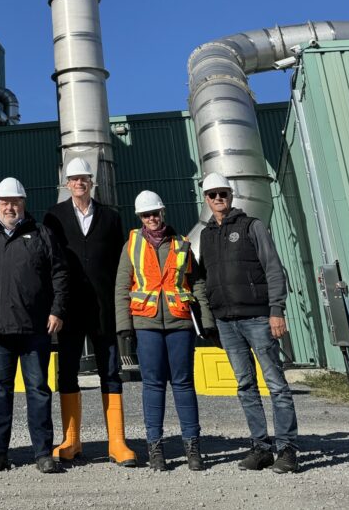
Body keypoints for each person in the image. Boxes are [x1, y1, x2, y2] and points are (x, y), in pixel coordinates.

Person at [196, 171, 299, 474]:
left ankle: (288, 449)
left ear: (231, 195)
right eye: (212, 194)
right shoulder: (206, 235)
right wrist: (209, 317)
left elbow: (273, 268)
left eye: (222, 193)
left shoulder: (251, 226)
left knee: (277, 385)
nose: (218, 199)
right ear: (206, 199)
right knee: (245, 386)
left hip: (258, 317)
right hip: (227, 321)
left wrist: (276, 310)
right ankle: (261, 448)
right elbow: (205, 278)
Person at [0, 177, 69, 474]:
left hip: (35, 328)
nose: (9, 207)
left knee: (38, 389)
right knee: (0, 390)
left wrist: (57, 311)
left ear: (23, 203)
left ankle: (42, 453)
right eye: (4, 202)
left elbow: (60, 274)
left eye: (15, 201)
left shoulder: (41, 234)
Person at [44, 157, 137, 467]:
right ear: (67, 184)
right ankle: (71, 441)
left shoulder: (111, 218)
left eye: (84, 178)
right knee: (66, 371)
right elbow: (49, 263)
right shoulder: (53, 217)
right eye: (74, 179)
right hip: (68, 308)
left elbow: (121, 265)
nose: (79, 183)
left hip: (103, 308)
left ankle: (117, 441)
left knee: (110, 370)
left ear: (91, 182)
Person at [115, 190, 213, 471]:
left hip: (179, 322)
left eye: (155, 213)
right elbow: (122, 287)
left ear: (163, 213)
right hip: (146, 324)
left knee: (183, 383)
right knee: (153, 385)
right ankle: (155, 448)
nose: (152, 219)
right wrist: (124, 327)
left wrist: (205, 319)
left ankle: (193, 447)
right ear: (140, 218)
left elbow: (196, 284)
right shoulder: (131, 245)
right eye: (146, 215)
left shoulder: (182, 244)